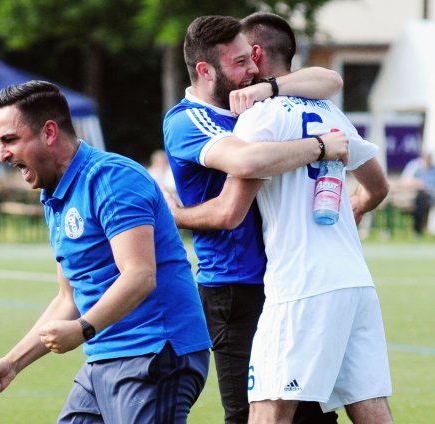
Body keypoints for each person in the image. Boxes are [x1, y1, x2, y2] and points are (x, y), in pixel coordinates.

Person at [167, 12, 393, 423]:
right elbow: (378, 186)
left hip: (296, 284)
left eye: (247, 59)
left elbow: (231, 209)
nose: (248, 70)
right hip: (350, 279)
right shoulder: (327, 111)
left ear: (257, 53)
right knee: (364, 407)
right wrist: (346, 198)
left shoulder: (260, 115)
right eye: (238, 63)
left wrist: (170, 216)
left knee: (263, 414)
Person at [0, 80, 212, 423]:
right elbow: (67, 299)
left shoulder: (112, 179)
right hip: (104, 357)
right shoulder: (55, 194)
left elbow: (140, 275)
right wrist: (13, 362)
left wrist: (84, 328)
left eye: (10, 140)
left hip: (154, 352)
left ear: (49, 132)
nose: (2, 154)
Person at [401, 150, 435, 235]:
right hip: (416, 195)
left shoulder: (433, 169)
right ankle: (417, 230)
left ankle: (419, 230)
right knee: (421, 199)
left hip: (432, 195)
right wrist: (417, 183)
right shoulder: (414, 167)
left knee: (424, 199)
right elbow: (404, 181)